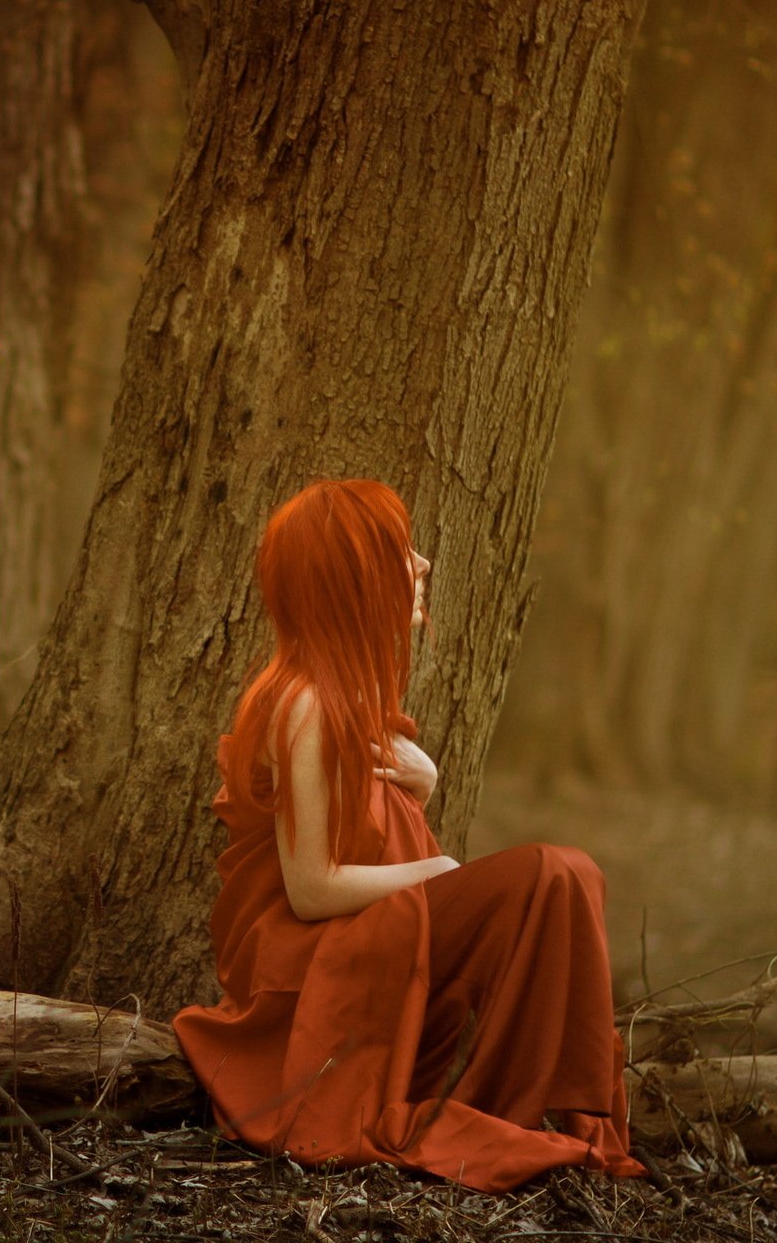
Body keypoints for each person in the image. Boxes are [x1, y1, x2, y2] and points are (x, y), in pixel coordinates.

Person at [172, 478, 645, 1192]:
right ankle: (533, 1110)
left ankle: (556, 1109)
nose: (422, 563)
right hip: (318, 978)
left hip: (375, 942)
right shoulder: (304, 703)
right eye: (399, 551)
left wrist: (417, 793)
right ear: (353, 579)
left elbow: (366, 836)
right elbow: (309, 890)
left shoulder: (343, 697)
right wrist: (440, 870)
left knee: (560, 877)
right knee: (554, 872)